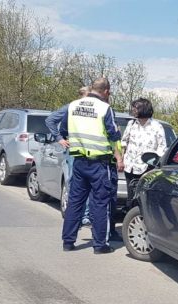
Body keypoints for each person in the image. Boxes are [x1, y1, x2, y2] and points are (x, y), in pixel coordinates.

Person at [58, 77, 124, 254]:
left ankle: (68, 241)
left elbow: (63, 130)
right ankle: (100, 244)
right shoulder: (105, 108)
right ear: (106, 92)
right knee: (100, 203)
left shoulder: (73, 106)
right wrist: (118, 150)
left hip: (79, 162)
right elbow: (112, 134)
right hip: (100, 164)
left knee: (75, 201)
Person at [46, 86, 92, 228]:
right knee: (74, 182)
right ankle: (76, 217)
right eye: (88, 96)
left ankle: (86, 217)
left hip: (90, 151)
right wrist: (60, 138)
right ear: (81, 96)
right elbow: (50, 120)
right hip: (73, 150)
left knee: (88, 184)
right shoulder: (71, 108)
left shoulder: (93, 109)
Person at [121, 98, 167, 199]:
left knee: (144, 197)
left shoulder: (156, 126)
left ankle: (142, 214)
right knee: (131, 196)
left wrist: (153, 164)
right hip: (129, 167)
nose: (134, 110)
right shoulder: (131, 124)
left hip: (146, 168)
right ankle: (132, 213)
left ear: (144, 109)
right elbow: (124, 142)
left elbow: (162, 147)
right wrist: (121, 160)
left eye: (136, 108)